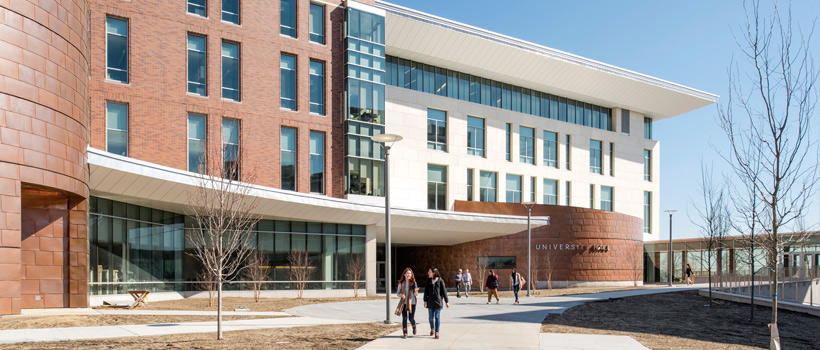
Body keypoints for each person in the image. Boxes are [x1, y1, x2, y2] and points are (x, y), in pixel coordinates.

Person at [423, 267, 449, 339]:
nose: (428, 273)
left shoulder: (440, 281)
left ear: (434, 273)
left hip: (438, 302)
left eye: (430, 272)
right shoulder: (428, 281)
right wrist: (425, 301)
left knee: (437, 317)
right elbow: (426, 292)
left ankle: (437, 332)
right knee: (431, 318)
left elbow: (444, 292)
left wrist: (447, 301)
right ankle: (432, 329)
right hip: (430, 302)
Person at [397, 267, 419, 339]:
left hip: (411, 303)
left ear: (411, 275)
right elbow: (398, 293)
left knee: (411, 318)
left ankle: (414, 325)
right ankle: (405, 333)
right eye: (407, 273)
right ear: (404, 274)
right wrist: (401, 295)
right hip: (403, 303)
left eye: (410, 273)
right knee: (404, 318)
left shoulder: (414, 283)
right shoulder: (401, 283)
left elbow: (416, 294)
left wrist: (415, 291)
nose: (408, 275)